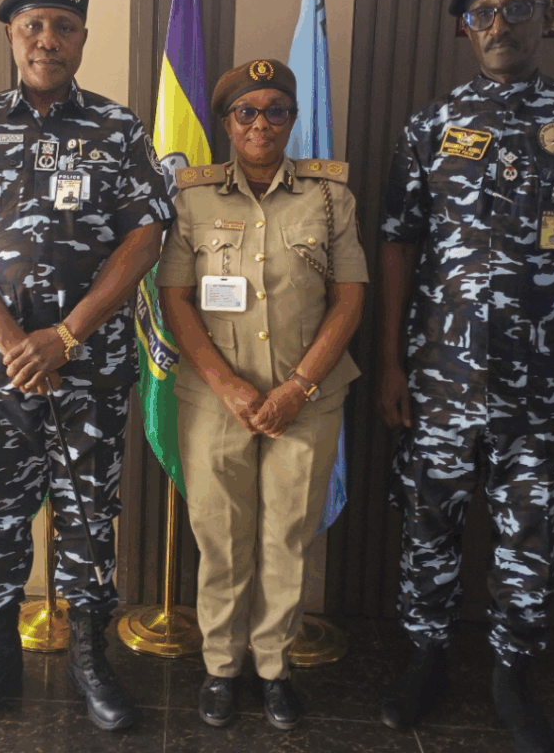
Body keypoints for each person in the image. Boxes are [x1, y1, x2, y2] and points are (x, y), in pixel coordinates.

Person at [376, 0, 554, 753]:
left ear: (543, 20)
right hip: (440, 377)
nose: (500, 26)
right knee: (429, 522)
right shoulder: (430, 125)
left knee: (529, 531)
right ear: (465, 29)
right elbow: (398, 247)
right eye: (484, 14)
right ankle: (426, 655)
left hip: (542, 384)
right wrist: (388, 362)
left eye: (518, 10)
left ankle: (511, 673)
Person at [0, 0, 172, 731]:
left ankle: (93, 659)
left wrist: (66, 336)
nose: (48, 41)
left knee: (91, 510)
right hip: (0, 369)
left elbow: (146, 236)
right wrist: (10, 338)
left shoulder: (119, 130)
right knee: (1, 508)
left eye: (63, 27)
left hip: (89, 367)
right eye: (34, 27)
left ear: (83, 40)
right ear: (11, 37)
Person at [156, 59, 367, 731]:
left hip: (309, 398)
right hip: (215, 400)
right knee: (220, 538)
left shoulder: (330, 196)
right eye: (247, 111)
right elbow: (175, 299)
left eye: (277, 109)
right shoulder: (191, 198)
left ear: (293, 119)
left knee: (286, 537)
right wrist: (228, 384)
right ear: (225, 122)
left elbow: (350, 297)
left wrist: (299, 386)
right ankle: (222, 665)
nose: (262, 123)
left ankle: (272, 666)